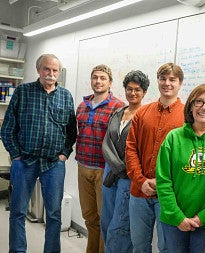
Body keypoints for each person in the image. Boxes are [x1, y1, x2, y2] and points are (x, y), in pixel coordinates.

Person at [0, 54, 77, 252]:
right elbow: (8, 127)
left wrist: (64, 154)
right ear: (38, 70)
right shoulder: (23, 92)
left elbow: (71, 131)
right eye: (47, 69)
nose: (51, 74)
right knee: (17, 211)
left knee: (53, 214)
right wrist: (15, 154)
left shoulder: (66, 96)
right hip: (24, 161)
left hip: (53, 164)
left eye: (55, 70)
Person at [156, 84, 205, 253]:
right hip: (174, 221)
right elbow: (163, 181)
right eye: (198, 102)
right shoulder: (173, 138)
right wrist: (178, 217)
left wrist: (204, 217)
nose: (204, 107)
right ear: (191, 107)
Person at [126, 62, 185, 253]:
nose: (167, 83)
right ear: (158, 81)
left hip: (169, 196)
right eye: (163, 79)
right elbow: (131, 149)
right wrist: (140, 180)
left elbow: (186, 158)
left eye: (172, 79)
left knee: (166, 247)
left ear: (180, 83)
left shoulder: (188, 117)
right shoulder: (142, 112)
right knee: (139, 245)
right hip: (139, 192)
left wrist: (161, 183)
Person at [76, 64, 124, 253]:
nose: (98, 81)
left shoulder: (117, 107)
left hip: (104, 171)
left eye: (103, 78)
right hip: (83, 166)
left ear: (110, 82)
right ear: (91, 80)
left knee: (104, 218)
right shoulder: (82, 106)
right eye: (95, 77)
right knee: (89, 217)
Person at [100, 70, 150, 252]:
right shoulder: (118, 112)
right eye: (129, 89)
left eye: (137, 89)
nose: (133, 93)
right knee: (106, 220)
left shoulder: (145, 116)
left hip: (128, 176)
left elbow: (141, 149)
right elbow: (107, 142)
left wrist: (124, 169)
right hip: (110, 173)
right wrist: (116, 167)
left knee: (120, 225)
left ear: (144, 92)